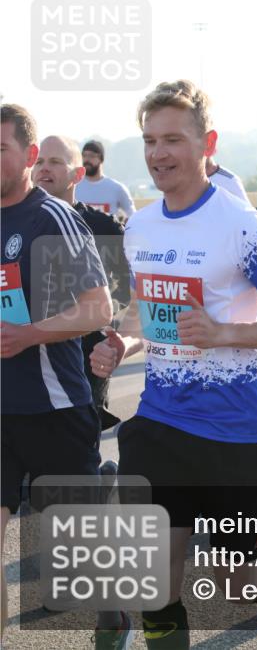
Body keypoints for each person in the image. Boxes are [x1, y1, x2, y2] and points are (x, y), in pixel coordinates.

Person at [89, 80, 257, 649]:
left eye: (172, 139)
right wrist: (125, 342)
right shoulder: (141, 228)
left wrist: (226, 332)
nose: (158, 153)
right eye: (149, 140)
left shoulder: (241, 225)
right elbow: (154, 316)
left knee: (235, 581)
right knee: (155, 579)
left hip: (237, 433)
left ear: (207, 144)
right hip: (161, 423)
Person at [1, 105, 117, 644]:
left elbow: (98, 310)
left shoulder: (50, 218)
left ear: (26, 157)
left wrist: (30, 334)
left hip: (53, 407)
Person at [32, 135, 131, 432]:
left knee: (77, 454)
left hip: (87, 362)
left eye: (55, 162)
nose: (44, 169)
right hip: (29, 363)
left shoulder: (103, 227)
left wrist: (104, 327)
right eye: (38, 162)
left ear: (77, 174)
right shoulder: (16, 222)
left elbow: (125, 290)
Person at [76, 139, 136, 220]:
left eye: (91, 156)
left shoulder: (117, 188)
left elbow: (133, 216)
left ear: (101, 159)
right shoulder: (74, 187)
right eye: (84, 155)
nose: (87, 160)